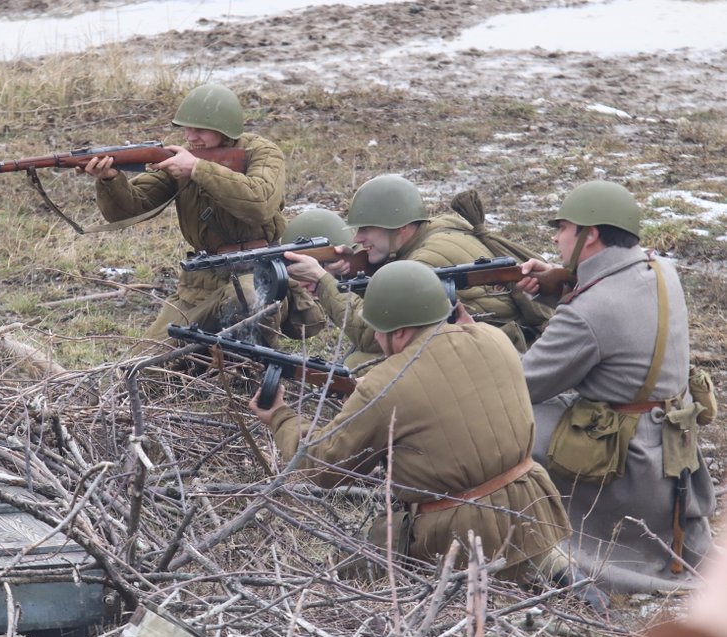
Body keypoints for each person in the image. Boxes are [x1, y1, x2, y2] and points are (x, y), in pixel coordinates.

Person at [248, 260, 600, 603]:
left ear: (398, 331)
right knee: (541, 570)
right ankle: (556, 573)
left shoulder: (388, 384)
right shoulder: (494, 338)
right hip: (532, 508)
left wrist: (280, 417)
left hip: (459, 537)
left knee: (347, 583)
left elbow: (326, 467)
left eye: (379, 332)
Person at [515, 180, 716, 594]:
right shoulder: (662, 269)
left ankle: (535, 540)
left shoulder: (590, 312)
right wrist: (566, 285)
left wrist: (472, 339)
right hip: (671, 455)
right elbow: (623, 321)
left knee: (506, 423)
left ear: (590, 236)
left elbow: (520, 385)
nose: (555, 237)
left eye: (565, 228)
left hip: (627, 469)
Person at [83, 83, 299, 351]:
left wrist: (198, 169)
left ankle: (249, 375)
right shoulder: (182, 158)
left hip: (254, 270)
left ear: (224, 128)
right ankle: (201, 364)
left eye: (199, 130)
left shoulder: (261, 152)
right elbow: (131, 208)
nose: (191, 136)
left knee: (248, 300)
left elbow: (260, 203)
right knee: (141, 364)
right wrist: (111, 180)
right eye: (186, 129)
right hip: (200, 281)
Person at [281, 174, 546, 368]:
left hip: (500, 354)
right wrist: (354, 267)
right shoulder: (440, 227)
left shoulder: (425, 261)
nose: (358, 238)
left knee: (361, 364)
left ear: (401, 227)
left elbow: (373, 334)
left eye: (367, 229)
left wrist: (322, 280)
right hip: (496, 339)